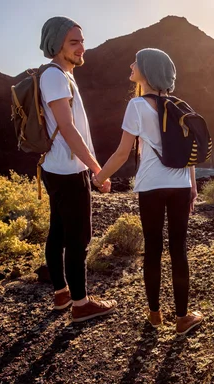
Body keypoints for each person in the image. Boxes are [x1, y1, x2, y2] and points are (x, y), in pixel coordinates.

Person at [94, 48, 203, 335]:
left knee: (153, 248)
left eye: (136, 62)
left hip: (151, 186)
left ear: (148, 70)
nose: (131, 65)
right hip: (179, 185)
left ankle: (155, 315)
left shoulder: (137, 106)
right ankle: (182, 318)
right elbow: (188, 153)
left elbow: (121, 153)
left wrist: (98, 178)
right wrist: (192, 186)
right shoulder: (180, 106)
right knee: (178, 249)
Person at [38, 16, 116, 322]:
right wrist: (98, 169)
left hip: (55, 167)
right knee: (78, 237)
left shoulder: (60, 75)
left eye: (82, 41)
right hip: (69, 171)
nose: (82, 47)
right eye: (74, 42)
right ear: (58, 45)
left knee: (58, 230)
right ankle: (82, 304)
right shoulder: (56, 76)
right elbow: (68, 129)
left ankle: (62, 294)